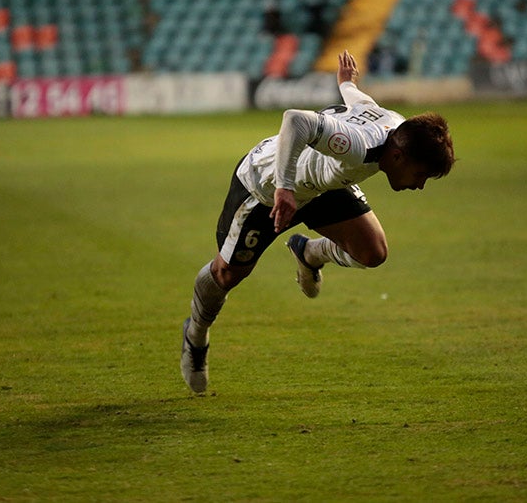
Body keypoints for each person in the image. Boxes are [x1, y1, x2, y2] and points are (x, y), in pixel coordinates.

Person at [180, 50, 455, 393]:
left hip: (322, 187)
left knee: (373, 251)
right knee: (227, 274)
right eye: (420, 175)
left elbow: (360, 102)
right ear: (398, 156)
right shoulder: (358, 147)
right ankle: (196, 337)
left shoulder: (397, 127)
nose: (419, 185)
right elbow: (296, 120)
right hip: (267, 186)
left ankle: (309, 253)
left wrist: (346, 83)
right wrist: (284, 188)